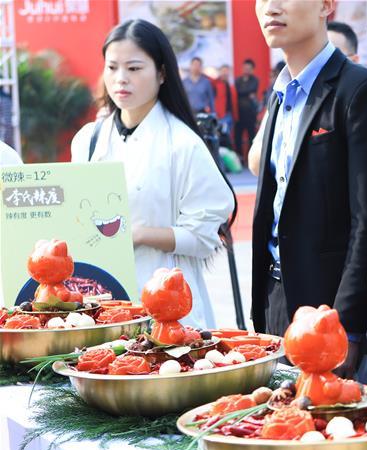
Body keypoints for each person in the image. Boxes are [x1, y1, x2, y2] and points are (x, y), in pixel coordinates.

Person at [251, 0, 367, 378]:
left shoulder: (362, 90)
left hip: (329, 310)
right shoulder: (280, 93)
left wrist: (349, 324)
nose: (270, 7)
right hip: (275, 298)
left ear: (326, 5)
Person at [71, 19, 234, 329]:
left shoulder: (183, 145)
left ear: (161, 73)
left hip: (170, 310)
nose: (121, 79)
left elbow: (204, 236)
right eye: (112, 67)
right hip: (101, 305)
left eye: (134, 69)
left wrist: (142, 235)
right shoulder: (88, 140)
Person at [234, 58, 260, 163]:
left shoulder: (255, 80)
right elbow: (239, 90)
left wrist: (244, 92)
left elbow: (250, 89)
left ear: (252, 69)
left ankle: (250, 159)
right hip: (238, 114)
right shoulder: (238, 80)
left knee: (251, 137)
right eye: (245, 68)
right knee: (237, 137)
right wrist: (247, 93)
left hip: (250, 114)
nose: (246, 70)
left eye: (249, 68)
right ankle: (240, 159)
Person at [212, 64, 237, 148]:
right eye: (223, 71)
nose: (225, 73)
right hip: (220, 116)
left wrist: (235, 117)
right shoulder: (216, 84)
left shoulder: (231, 87)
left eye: (226, 71)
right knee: (221, 138)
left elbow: (233, 103)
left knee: (229, 138)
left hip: (229, 115)